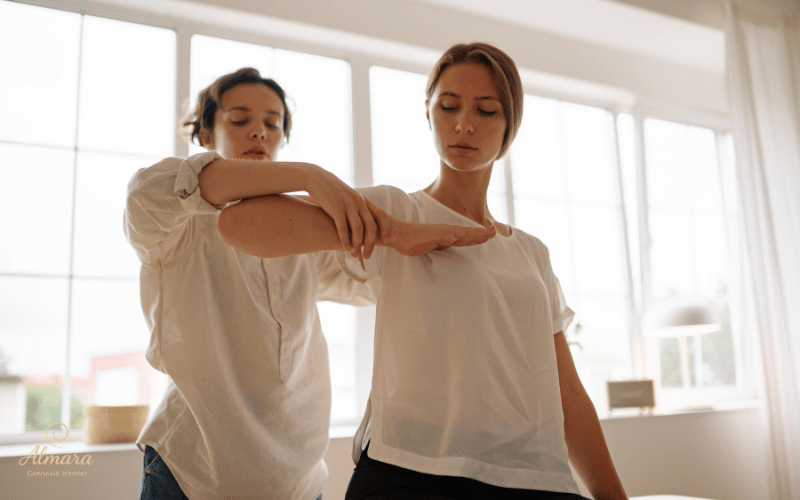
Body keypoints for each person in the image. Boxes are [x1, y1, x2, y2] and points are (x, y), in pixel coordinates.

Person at [216, 44, 628, 500]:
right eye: (448, 106)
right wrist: (390, 231)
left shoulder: (532, 253)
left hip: (530, 476)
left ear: (510, 124)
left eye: (486, 111)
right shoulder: (398, 211)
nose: (464, 123)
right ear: (428, 114)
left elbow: (568, 395)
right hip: (408, 471)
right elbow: (240, 225)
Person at [124, 67, 494, 500]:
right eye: (240, 120)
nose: (259, 133)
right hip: (193, 470)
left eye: (272, 123)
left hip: (298, 479)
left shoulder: (303, 240)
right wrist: (309, 175)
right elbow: (167, 187)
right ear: (206, 135)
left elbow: (382, 278)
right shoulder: (170, 221)